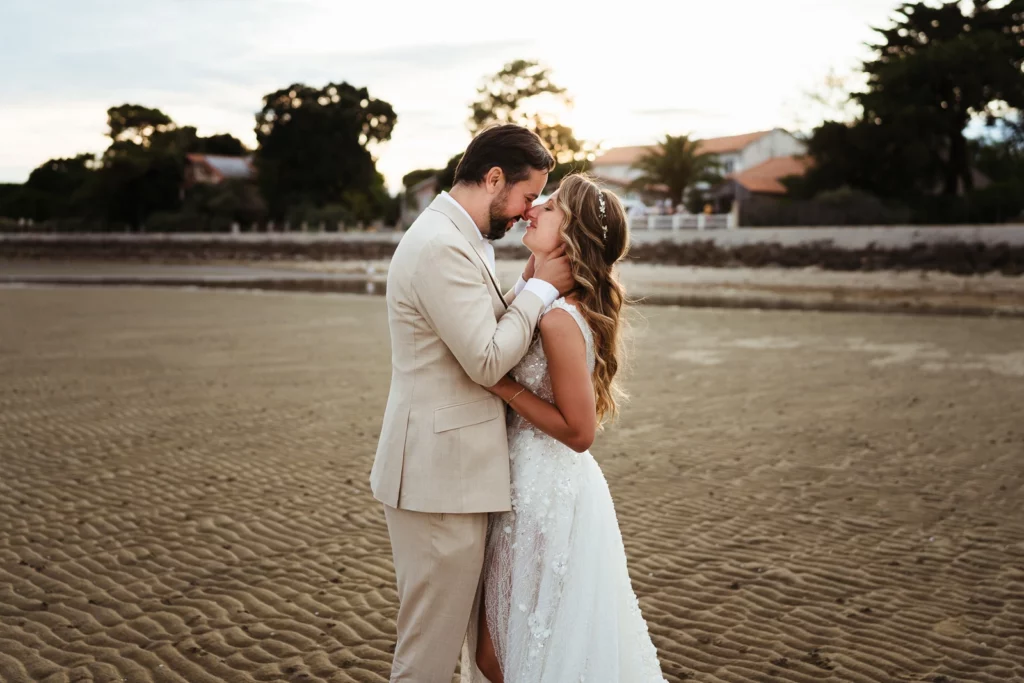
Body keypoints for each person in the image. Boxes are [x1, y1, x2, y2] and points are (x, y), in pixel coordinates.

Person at [369, 123, 575, 683]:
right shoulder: (439, 245)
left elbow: (472, 325)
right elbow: (485, 358)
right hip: (438, 481)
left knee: (472, 649)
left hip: (454, 474)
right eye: (528, 196)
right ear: (493, 178)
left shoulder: (457, 236)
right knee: (427, 656)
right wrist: (537, 293)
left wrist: (528, 280)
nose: (526, 212)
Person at [464, 174, 668, 682]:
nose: (534, 210)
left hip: (542, 492)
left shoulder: (558, 319)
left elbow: (580, 433)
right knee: (517, 642)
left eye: (549, 207)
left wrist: (499, 386)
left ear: (573, 232)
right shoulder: (547, 301)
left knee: (502, 653)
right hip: (524, 481)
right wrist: (535, 269)